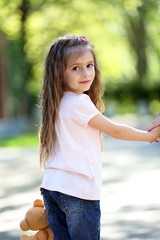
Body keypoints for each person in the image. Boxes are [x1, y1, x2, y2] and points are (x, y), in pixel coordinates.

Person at [39, 34, 160, 240]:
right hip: (78, 192)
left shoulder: (56, 102)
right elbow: (115, 130)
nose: (85, 73)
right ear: (59, 73)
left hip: (52, 189)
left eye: (89, 65)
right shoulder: (79, 102)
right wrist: (149, 136)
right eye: (75, 68)